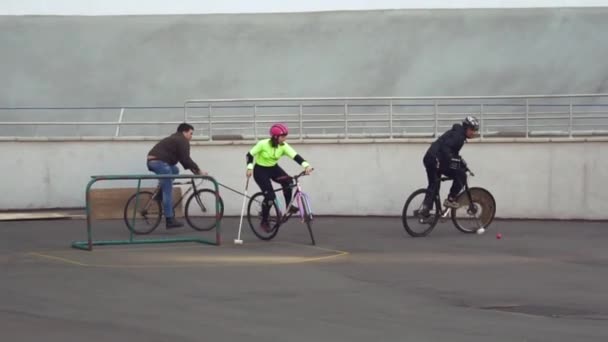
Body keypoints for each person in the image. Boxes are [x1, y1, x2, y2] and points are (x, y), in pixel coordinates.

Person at [245, 123, 313, 230]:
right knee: (270, 197)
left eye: (285, 136)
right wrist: (249, 168)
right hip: (260, 171)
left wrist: (306, 166)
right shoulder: (263, 144)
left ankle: (288, 207)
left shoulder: (283, 146)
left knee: (289, 182)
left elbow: (295, 156)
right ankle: (264, 220)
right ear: (275, 137)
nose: (285, 139)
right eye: (283, 137)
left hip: (273, 169)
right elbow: (249, 155)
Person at [147, 123, 207, 228]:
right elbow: (186, 159)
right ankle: (169, 220)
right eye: (191, 133)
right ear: (184, 132)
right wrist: (199, 171)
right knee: (168, 190)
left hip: (154, 161)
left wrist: (196, 171)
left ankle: (159, 194)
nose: (191, 137)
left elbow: (184, 161)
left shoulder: (175, 138)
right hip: (158, 162)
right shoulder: (182, 140)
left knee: (175, 170)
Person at [418, 116, 480, 217]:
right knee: (461, 175)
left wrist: (459, 161)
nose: (473, 132)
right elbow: (446, 149)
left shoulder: (457, 133)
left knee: (434, 185)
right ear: (466, 128)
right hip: (436, 159)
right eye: (472, 129)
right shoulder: (459, 137)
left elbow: (451, 151)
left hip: (430, 157)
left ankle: (426, 209)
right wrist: (455, 161)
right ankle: (450, 199)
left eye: (475, 130)